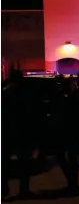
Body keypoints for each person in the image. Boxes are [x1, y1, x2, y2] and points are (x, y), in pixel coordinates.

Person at [2, 70, 39, 200]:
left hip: (7, 132)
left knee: (5, 164)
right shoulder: (27, 92)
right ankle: (24, 190)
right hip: (23, 132)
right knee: (24, 164)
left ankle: (3, 189)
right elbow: (33, 113)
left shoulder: (4, 92)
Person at [51, 78, 79, 192]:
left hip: (70, 132)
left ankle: (73, 183)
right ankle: (72, 181)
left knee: (71, 158)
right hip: (66, 132)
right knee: (65, 157)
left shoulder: (75, 98)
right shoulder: (63, 98)